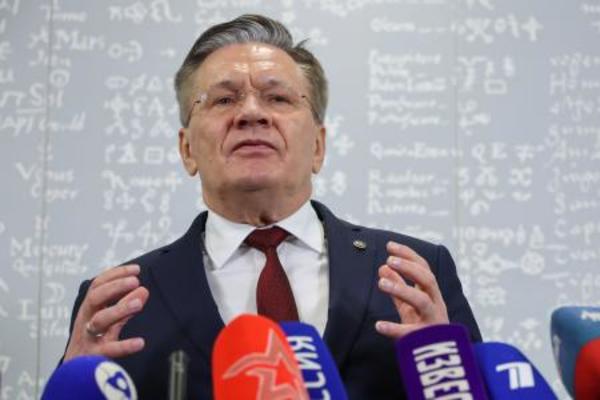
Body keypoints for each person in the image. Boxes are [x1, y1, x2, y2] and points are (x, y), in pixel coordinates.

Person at [62, 14, 481, 399]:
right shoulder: (119, 304)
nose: (251, 113)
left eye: (278, 98)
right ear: (187, 150)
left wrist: (450, 372)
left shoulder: (414, 274)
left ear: (318, 146)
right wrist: (70, 385)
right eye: (223, 100)